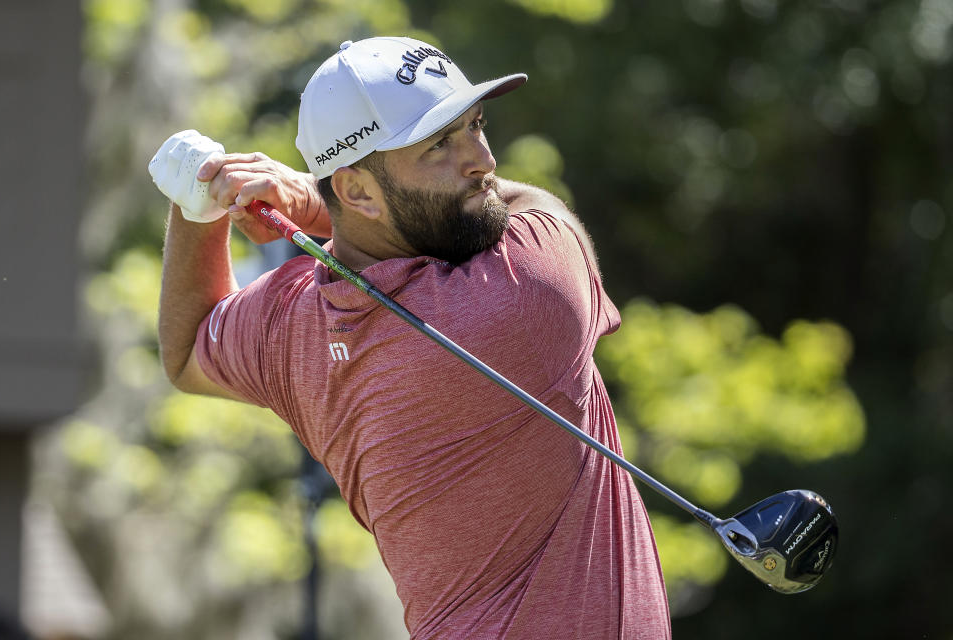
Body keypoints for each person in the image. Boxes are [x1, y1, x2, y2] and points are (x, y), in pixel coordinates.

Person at [157, 36, 671, 639]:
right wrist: (310, 197)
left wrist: (195, 207)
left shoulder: (287, 324)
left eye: (475, 124)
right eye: (439, 146)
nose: (482, 159)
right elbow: (532, 206)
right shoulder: (525, 289)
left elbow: (187, 349)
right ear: (356, 190)